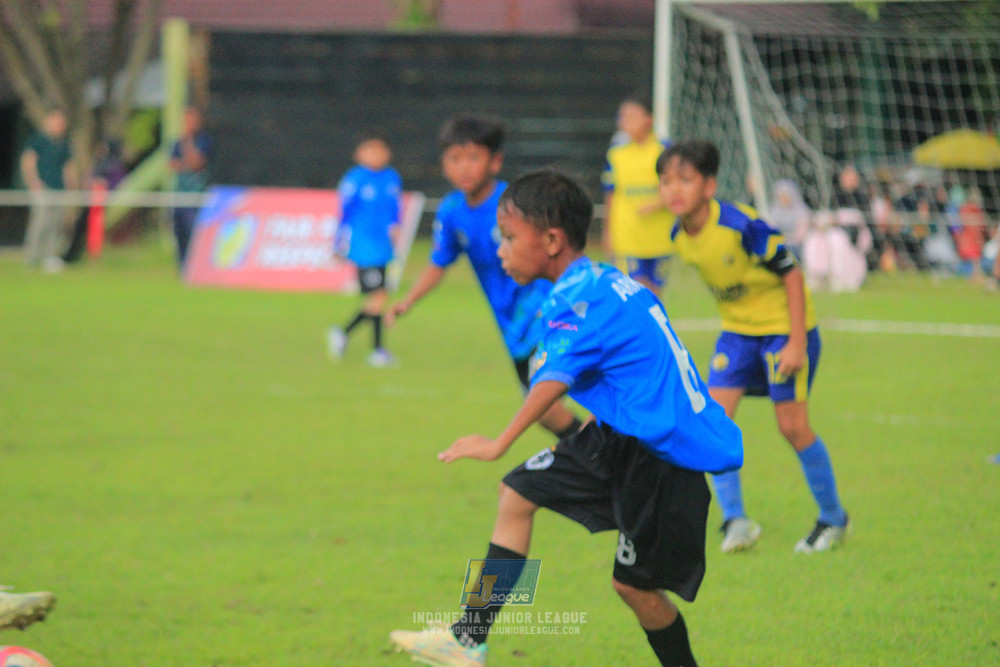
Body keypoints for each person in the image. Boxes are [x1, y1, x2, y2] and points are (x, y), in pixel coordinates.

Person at [390, 169, 742, 667]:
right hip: (619, 436)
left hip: (660, 454)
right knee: (517, 493)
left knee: (634, 589)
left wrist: (498, 441)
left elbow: (552, 380)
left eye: (510, 237)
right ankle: (467, 640)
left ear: (552, 240)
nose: (500, 249)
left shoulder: (581, 298)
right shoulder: (596, 279)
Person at [657, 139, 849, 554]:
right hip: (738, 334)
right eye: (666, 181)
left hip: (783, 330)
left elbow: (792, 274)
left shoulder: (741, 226)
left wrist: (797, 342)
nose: (673, 189)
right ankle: (736, 520)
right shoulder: (678, 233)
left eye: (684, 180)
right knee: (713, 422)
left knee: (792, 426)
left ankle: (833, 520)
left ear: (708, 186)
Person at [388, 115, 581, 439]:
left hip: (546, 311)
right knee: (543, 412)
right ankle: (597, 454)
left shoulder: (516, 202)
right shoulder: (451, 212)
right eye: (454, 158)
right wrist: (408, 300)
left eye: (473, 157)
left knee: (547, 400)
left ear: (495, 162)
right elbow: (439, 263)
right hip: (511, 326)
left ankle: (600, 460)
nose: (463, 167)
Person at [327, 131, 402, 368]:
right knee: (379, 296)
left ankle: (366, 345)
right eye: (372, 150)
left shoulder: (391, 177)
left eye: (381, 150)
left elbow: (394, 209)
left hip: (383, 246)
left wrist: (396, 227)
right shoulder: (355, 179)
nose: (378, 155)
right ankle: (355, 339)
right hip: (363, 246)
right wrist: (338, 243)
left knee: (377, 297)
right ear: (360, 155)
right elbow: (344, 214)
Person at [601, 97, 675, 297]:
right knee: (636, 293)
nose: (625, 121)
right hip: (628, 238)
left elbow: (678, 187)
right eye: (622, 117)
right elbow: (611, 193)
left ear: (648, 120)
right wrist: (608, 232)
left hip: (660, 238)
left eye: (631, 116)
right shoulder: (616, 153)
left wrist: (659, 202)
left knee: (655, 295)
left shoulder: (665, 149)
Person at [20, 107, 76, 273]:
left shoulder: (64, 143)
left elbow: (68, 166)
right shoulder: (39, 140)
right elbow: (28, 160)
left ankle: (50, 256)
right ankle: (32, 257)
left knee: (56, 224)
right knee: (40, 223)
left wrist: (71, 186)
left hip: (59, 189)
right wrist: (33, 182)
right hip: (43, 188)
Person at [169, 106, 213, 268]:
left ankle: (197, 267)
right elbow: (172, 165)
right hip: (180, 197)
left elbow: (197, 162)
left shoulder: (204, 141)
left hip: (196, 197)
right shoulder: (176, 143)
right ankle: (182, 268)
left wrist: (187, 145)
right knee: (180, 233)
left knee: (194, 233)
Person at [768, 179, 810, 260]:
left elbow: (801, 235)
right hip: (781, 245)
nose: (784, 199)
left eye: (786, 195)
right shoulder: (774, 212)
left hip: (798, 246)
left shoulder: (801, 211)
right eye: (781, 196)